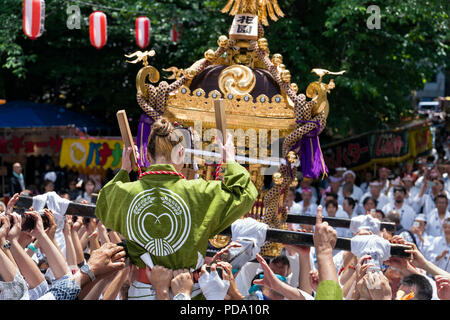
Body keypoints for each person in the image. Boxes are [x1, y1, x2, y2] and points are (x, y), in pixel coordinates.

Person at [95, 118, 258, 299]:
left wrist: (124, 171)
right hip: (189, 291)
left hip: (141, 292)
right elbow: (245, 193)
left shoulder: (126, 192)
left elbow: (103, 204)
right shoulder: (200, 191)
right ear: (181, 153)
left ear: (147, 156)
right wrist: (231, 161)